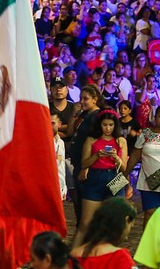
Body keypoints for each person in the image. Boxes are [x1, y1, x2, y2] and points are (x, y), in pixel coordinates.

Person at [72, 109, 128, 247]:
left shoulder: (121, 141)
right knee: (86, 223)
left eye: (110, 125)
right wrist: (97, 156)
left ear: (115, 125)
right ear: (99, 125)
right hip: (95, 178)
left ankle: (112, 256)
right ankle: (72, 258)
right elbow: (84, 163)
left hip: (115, 177)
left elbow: (124, 168)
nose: (108, 128)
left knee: (116, 224)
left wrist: (116, 158)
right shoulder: (91, 140)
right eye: (104, 125)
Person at [67, 84, 104, 224]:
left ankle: (86, 231)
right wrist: (74, 115)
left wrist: (86, 167)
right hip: (77, 163)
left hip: (88, 166)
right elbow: (71, 132)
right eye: (80, 98)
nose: (81, 101)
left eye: (85, 99)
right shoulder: (83, 115)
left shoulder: (97, 117)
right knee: (78, 201)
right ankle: (81, 229)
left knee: (86, 201)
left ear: (95, 99)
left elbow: (95, 144)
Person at [71, 197, 137, 268]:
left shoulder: (74, 255)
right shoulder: (120, 257)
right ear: (126, 220)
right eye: (130, 226)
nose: (127, 237)